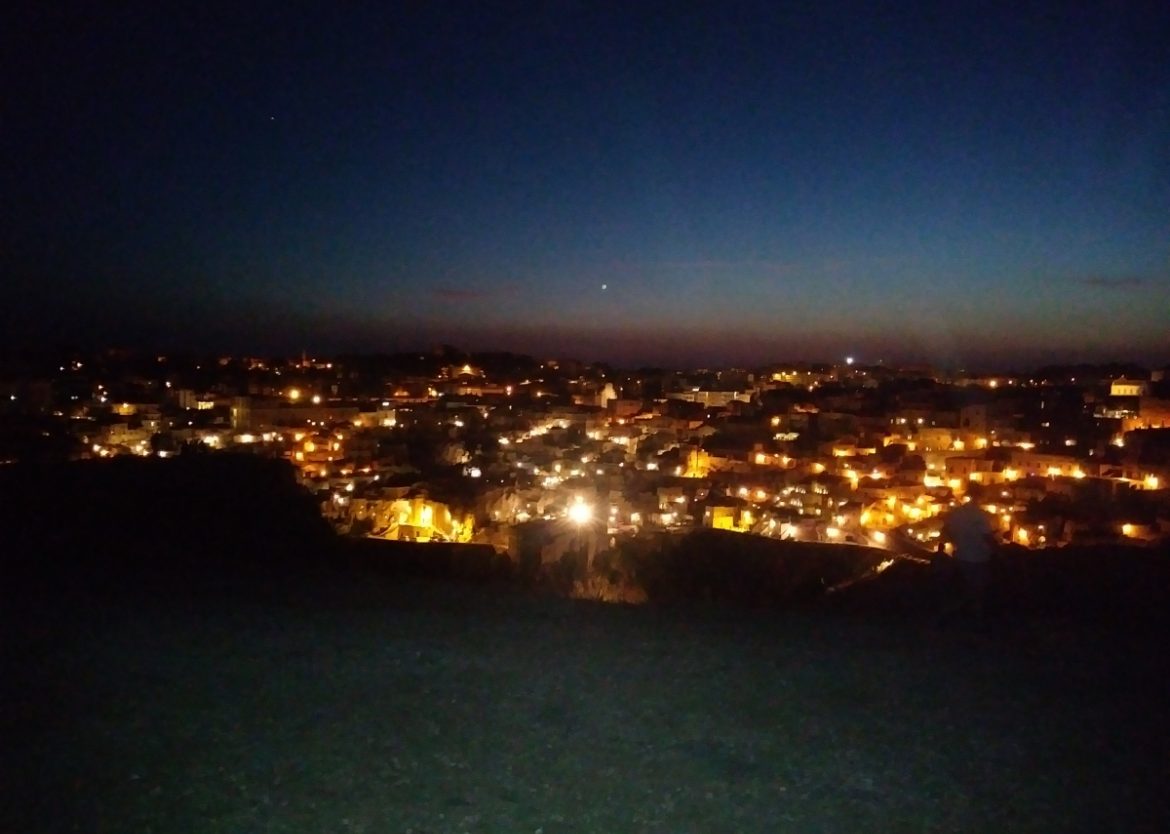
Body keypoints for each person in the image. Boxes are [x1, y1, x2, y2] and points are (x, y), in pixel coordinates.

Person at [938, 499, 998, 623]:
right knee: (978, 590)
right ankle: (976, 618)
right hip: (979, 558)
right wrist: (998, 551)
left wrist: (956, 543)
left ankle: (958, 618)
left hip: (961, 556)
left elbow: (946, 531)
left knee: (963, 588)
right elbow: (988, 538)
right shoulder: (980, 516)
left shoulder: (957, 514)